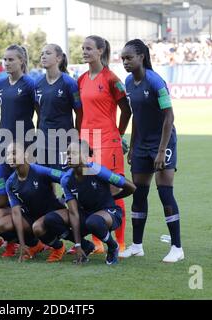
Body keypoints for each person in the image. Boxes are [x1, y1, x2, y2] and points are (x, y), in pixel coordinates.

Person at [119, 39, 184, 263]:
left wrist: (161, 150)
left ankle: (177, 247)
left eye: (129, 58)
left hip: (163, 144)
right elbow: (136, 117)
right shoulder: (128, 82)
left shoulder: (156, 81)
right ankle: (137, 245)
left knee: (165, 192)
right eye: (123, 59)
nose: (125, 62)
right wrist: (133, 145)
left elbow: (169, 117)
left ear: (142, 57)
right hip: (141, 145)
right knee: (139, 193)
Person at [77, 35, 132, 255]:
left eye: (89, 48)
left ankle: (120, 241)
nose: (84, 51)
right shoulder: (81, 79)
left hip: (108, 142)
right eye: (83, 48)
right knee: (90, 191)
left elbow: (126, 109)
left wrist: (118, 134)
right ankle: (98, 242)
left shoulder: (111, 78)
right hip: (85, 143)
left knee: (113, 189)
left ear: (101, 51)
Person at [60, 140, 136, 265]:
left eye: (73, 153)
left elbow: (131, 187)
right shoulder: (66, 179)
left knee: (94, 221)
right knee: (53, 220)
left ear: (85, 156)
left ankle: (113, 246)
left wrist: (114, 197)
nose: (68, 156)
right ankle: (86, 246)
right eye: (67, 153)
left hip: (109, 213)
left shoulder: (97, 170)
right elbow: (73, 213)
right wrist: (78, 245)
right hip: (86, 215)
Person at [0, 142, 69, 262]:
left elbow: (65, 177)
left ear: (26, 154)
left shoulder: (38, 170)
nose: (10, 157)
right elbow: (16, 213)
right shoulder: (10, 182)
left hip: (53, 214)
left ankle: (58, 247)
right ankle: (34, 245)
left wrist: (67, 197)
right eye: (7, 154)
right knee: (0, 226)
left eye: (14, 153)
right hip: (31, 217)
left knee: (38, 227)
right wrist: (22, 244)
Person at [35, 43, 82, 170]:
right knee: (42, 180)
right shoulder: (38, 83)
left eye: (48, 53)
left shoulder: (69, 83)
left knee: (64, 177)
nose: (43, 56)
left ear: (59, 58)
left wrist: (76, 139)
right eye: (42, 54)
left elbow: (80, 113)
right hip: (43, 141)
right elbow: (39, 113)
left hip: (63, 141)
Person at [0, 45, 37, 163]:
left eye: (11, 60)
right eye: (5, 60)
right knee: (2, 177)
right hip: (3, 138)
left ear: (21, 61)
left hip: (24, 139)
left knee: (24, 177)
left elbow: (40, 113)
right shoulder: (1, 84)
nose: (7, 63)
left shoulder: (30, 84)